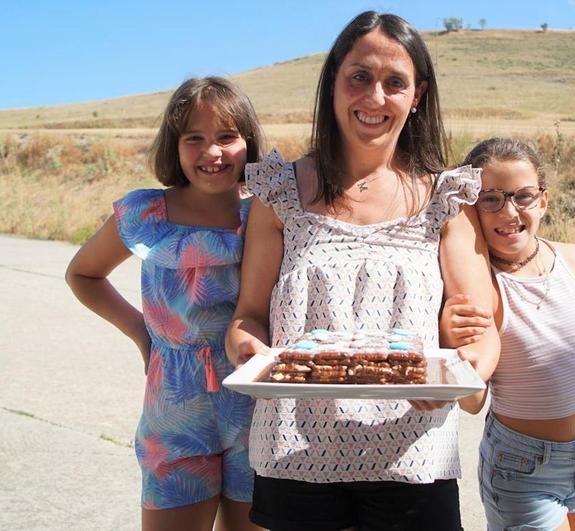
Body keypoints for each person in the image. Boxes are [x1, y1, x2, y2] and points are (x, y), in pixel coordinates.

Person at [225, 11, 499, 531]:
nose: (375, 97)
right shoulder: (278, 193)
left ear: (417, 96)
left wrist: (461, 376)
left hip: (416, 460)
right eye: (359, 77)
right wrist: (248, 352)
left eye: (395, 83)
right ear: (332, 83)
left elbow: (482, 335)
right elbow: (248, 317)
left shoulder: (446, 199)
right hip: (295, 456)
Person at [65, 77, 266, 531]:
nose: (211, 153)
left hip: (256, 403)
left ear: (248, 142)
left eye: (226, 137)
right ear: (173, 147)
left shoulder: (265, 217)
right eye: (193, 138)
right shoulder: (146, 214)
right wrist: (143, 335)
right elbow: (83, 274)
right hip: (174, 408)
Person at [441, 138, 575, 531]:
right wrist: (452, 348)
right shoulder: (483, 287)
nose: (509, 211)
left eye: (523, 196)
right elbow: (473, 403)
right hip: (521, 467)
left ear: (544, 200)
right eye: (491, 199)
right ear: (471, 208)